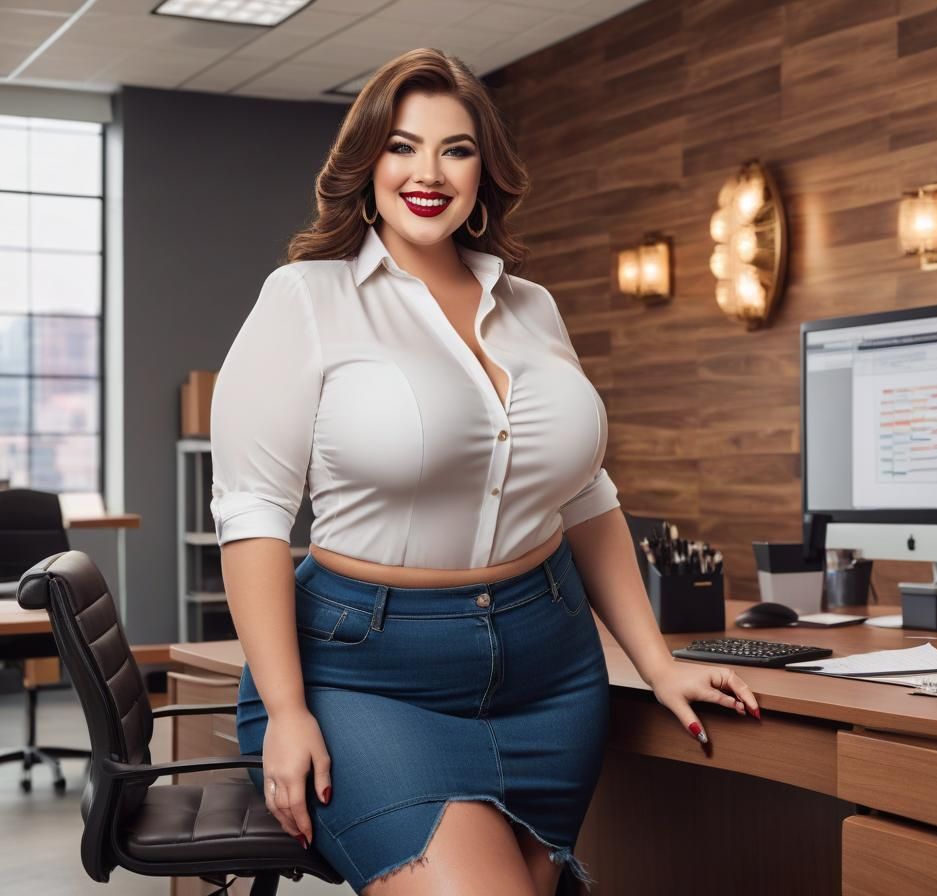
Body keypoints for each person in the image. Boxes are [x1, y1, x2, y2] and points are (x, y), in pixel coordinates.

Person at [210, 47, 758, 896]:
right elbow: (252, 515)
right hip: (363, 676)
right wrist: (286, 711)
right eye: (402, 146)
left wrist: (656, 662)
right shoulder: (306, 299)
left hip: (551, 670)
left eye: (455, 149)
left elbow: (586, 499)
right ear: (367, 163)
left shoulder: (533, 307)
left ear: (483, 170)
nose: (428, 172)